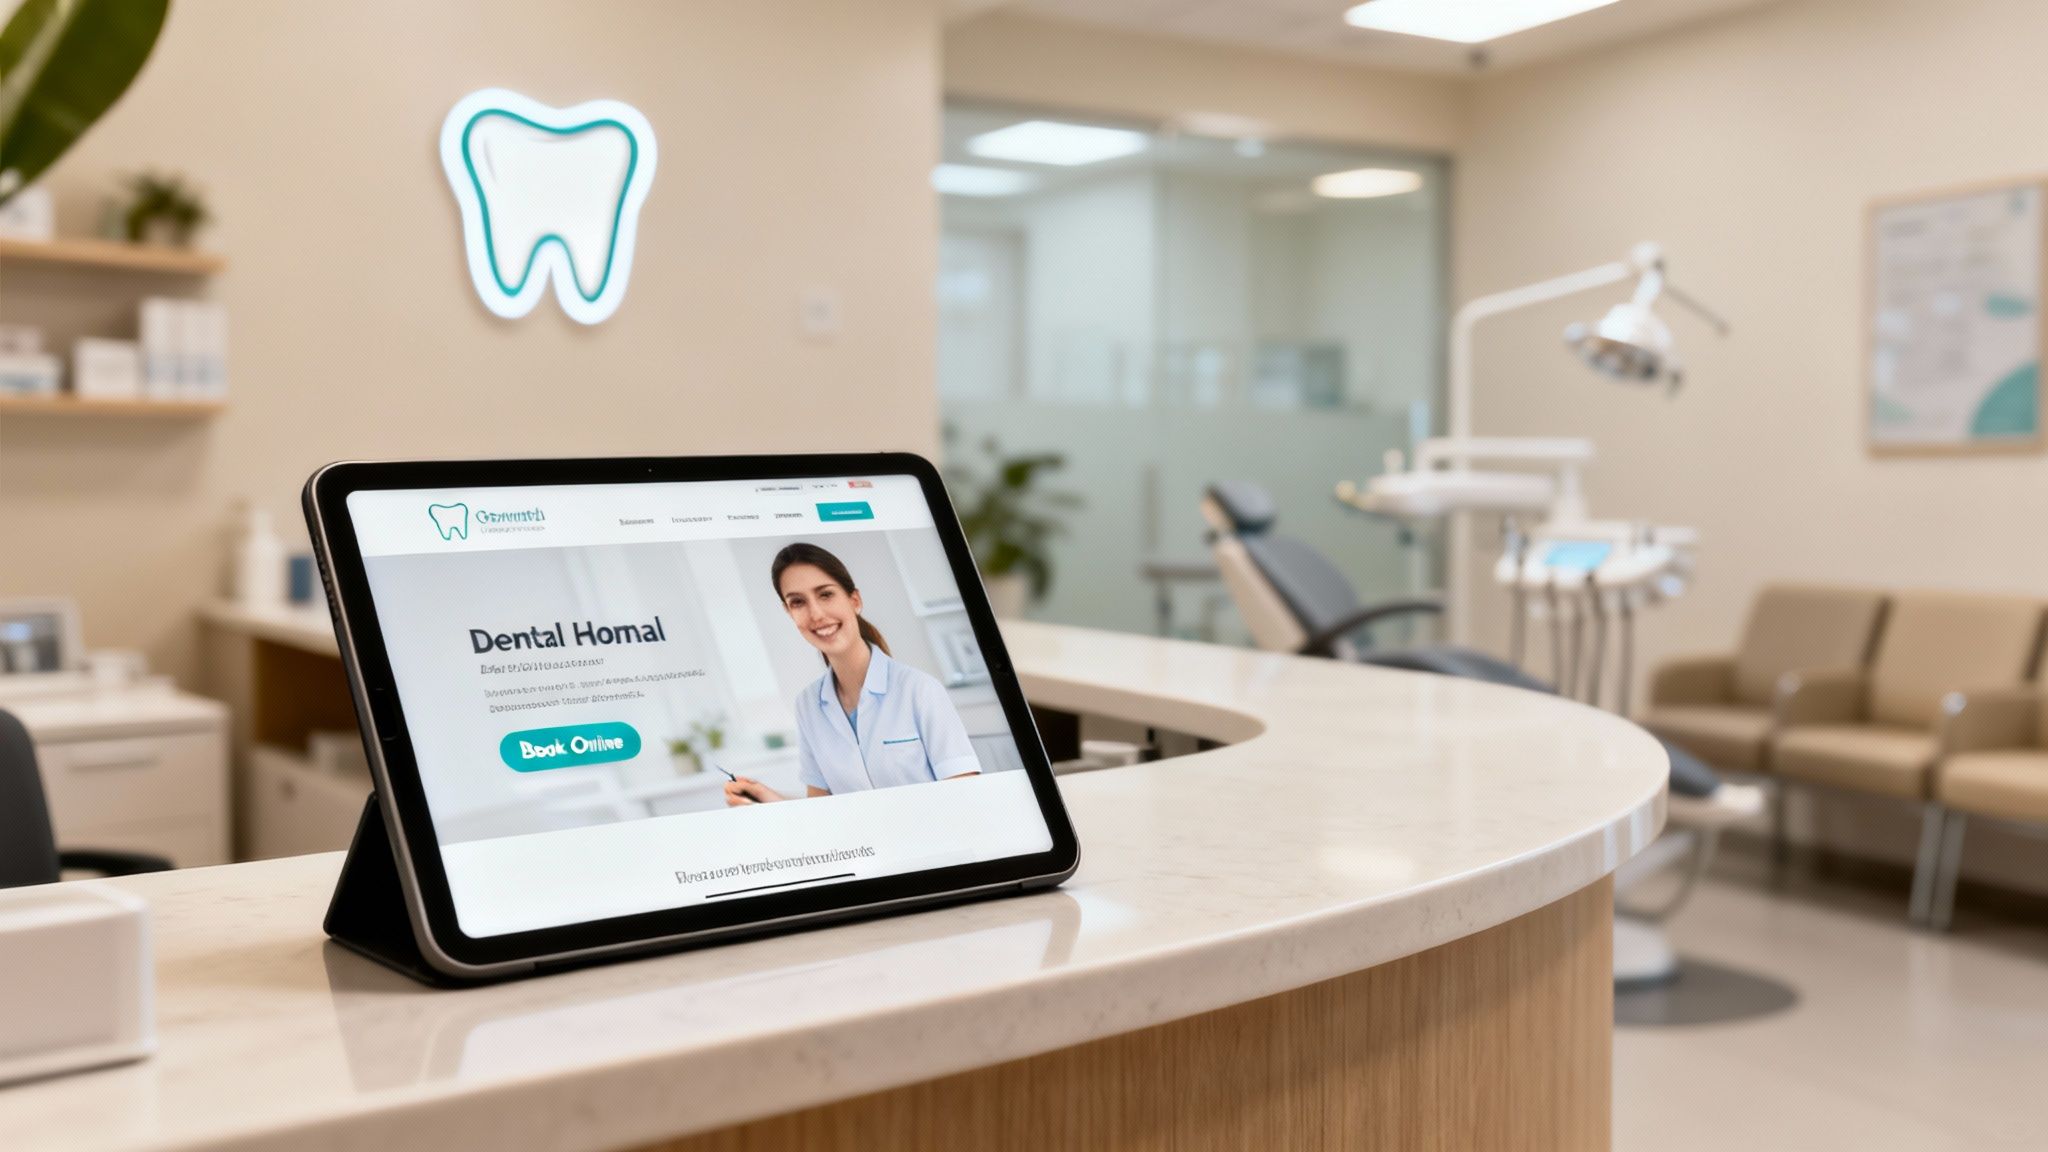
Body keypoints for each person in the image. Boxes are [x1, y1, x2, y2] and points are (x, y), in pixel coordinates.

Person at [724, 542, 980, 805]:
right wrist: (767, 800)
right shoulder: (807, 706)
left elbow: (966, 796)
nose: (816, 614)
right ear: (789, 612)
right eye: (798, 602)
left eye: (825, 595)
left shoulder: (919, 689)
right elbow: (822, 810)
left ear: (854, 600)